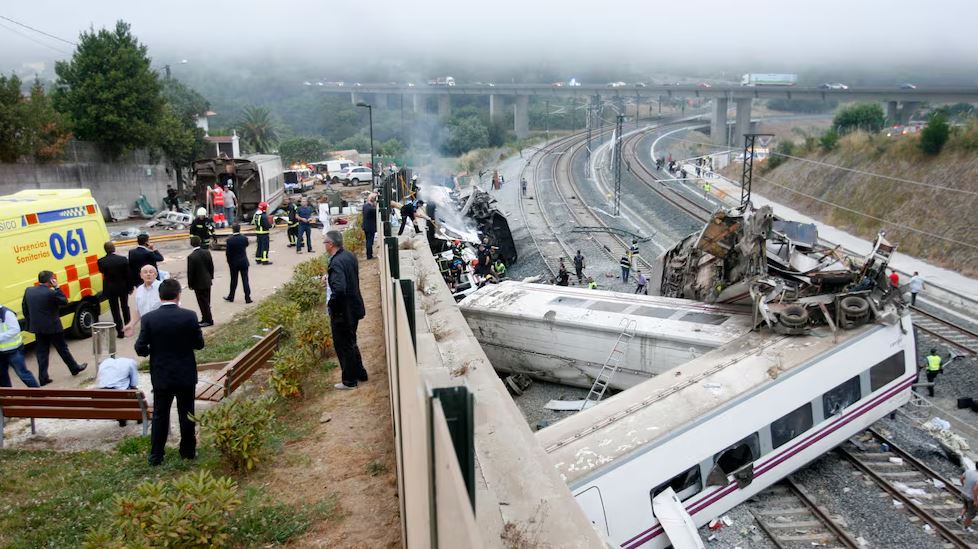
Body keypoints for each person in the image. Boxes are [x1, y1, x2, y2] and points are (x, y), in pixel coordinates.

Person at [135, 279, 205, 466]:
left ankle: (156, 455)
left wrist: (153, 350)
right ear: (178, 295)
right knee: (187, 413)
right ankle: (188, 451)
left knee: (160, 414)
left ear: (160, 296)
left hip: (161, 374)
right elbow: (199, 344)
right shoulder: (189, 316)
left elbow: (140, 347)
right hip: (185, 373)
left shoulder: (149, 318)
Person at [22, 271, 88, 384]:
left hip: (38, 328)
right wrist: (57, 287)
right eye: (53, 279)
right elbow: (64, 301)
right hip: (53, 327)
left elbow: (25, 308)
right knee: (62, 349)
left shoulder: (29, 291)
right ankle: (74, 368)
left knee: (42, 352)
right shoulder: (51, 293)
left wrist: (31, 321)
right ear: (50, 281)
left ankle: (43, 378)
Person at [323, 230, 367, 390]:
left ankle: (349, 380)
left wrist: (332, 305)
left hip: (343, 312)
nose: (324, 245)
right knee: (351, 341)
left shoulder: (335, 262)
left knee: (343, 345)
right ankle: (360, 373)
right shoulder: (349, 255)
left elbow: (340, 289)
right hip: (354, 307)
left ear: (331, 244)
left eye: (325, 242)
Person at [98, 241, 131, 338]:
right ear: (114, 249)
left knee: (115, 309)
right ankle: (128, 327)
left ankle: (120, 331)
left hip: (110, 288)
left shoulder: (101, 261)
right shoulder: (123, 259)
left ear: (105, 250)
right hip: (122, 287)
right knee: (125, 307)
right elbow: (128, 275)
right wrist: (130, 287)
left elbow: (102, 272)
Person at [0, 304, 39, 387]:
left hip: (14, 350)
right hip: (1, 351)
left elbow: (15, 329)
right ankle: (8, 396)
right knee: (2, 376)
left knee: (23, 374)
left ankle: (38, 395)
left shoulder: (6, 313)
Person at [95, 353, 139, 426]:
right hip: (118, 397)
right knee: (135, 392)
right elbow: (134, 384)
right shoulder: (131, 363)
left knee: (118, 390)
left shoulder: (105, 362)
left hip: (101, 397)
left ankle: (121, 419)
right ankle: (139, 417)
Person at [124, 264, 163, 337]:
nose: (148, 274)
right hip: (146, 327)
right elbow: (138, 311)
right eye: (145, 272)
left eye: (151, 272)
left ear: (155, 275)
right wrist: (131, 324)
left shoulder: (163, 287)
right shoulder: (139, 290)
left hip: (161, 327)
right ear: (141, 275)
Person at [187, 236, 215, 327]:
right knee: (207, 301)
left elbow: (191, 272)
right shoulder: (207, 252)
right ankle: (205, 318)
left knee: (202, 303)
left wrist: (190, 284)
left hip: (198, 283)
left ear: (191, 244)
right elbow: (211, 266)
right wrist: (211, 276)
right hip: (207, 280)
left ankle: (208, 320)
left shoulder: (191, 257)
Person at [224, 224, 252, 303]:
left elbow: (228, 253)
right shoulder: (244, 238)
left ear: (233, 230)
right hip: (243, 262)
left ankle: (231, 296)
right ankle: (247, 298)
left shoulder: (229, 240)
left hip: (234, 263)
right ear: (239, 229)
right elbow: (246, 245)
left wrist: (229, 262)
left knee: (233, 280)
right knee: (245, 280)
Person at [253, 201, 273, 265]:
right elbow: (267, 225)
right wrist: (271, 225)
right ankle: (264, 260)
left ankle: (258, 259)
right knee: (265, 247)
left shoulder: (256, 214)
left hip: (258, 233)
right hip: (264, 233)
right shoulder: (263, 216)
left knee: (259, 246)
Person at [362, 193, 378, 260]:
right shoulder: (372, 209)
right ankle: (369, 256)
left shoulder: (365, 206)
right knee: (370, 242)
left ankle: (369, 254)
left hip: (366, 226)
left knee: (368, 241)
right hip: (370, 227)